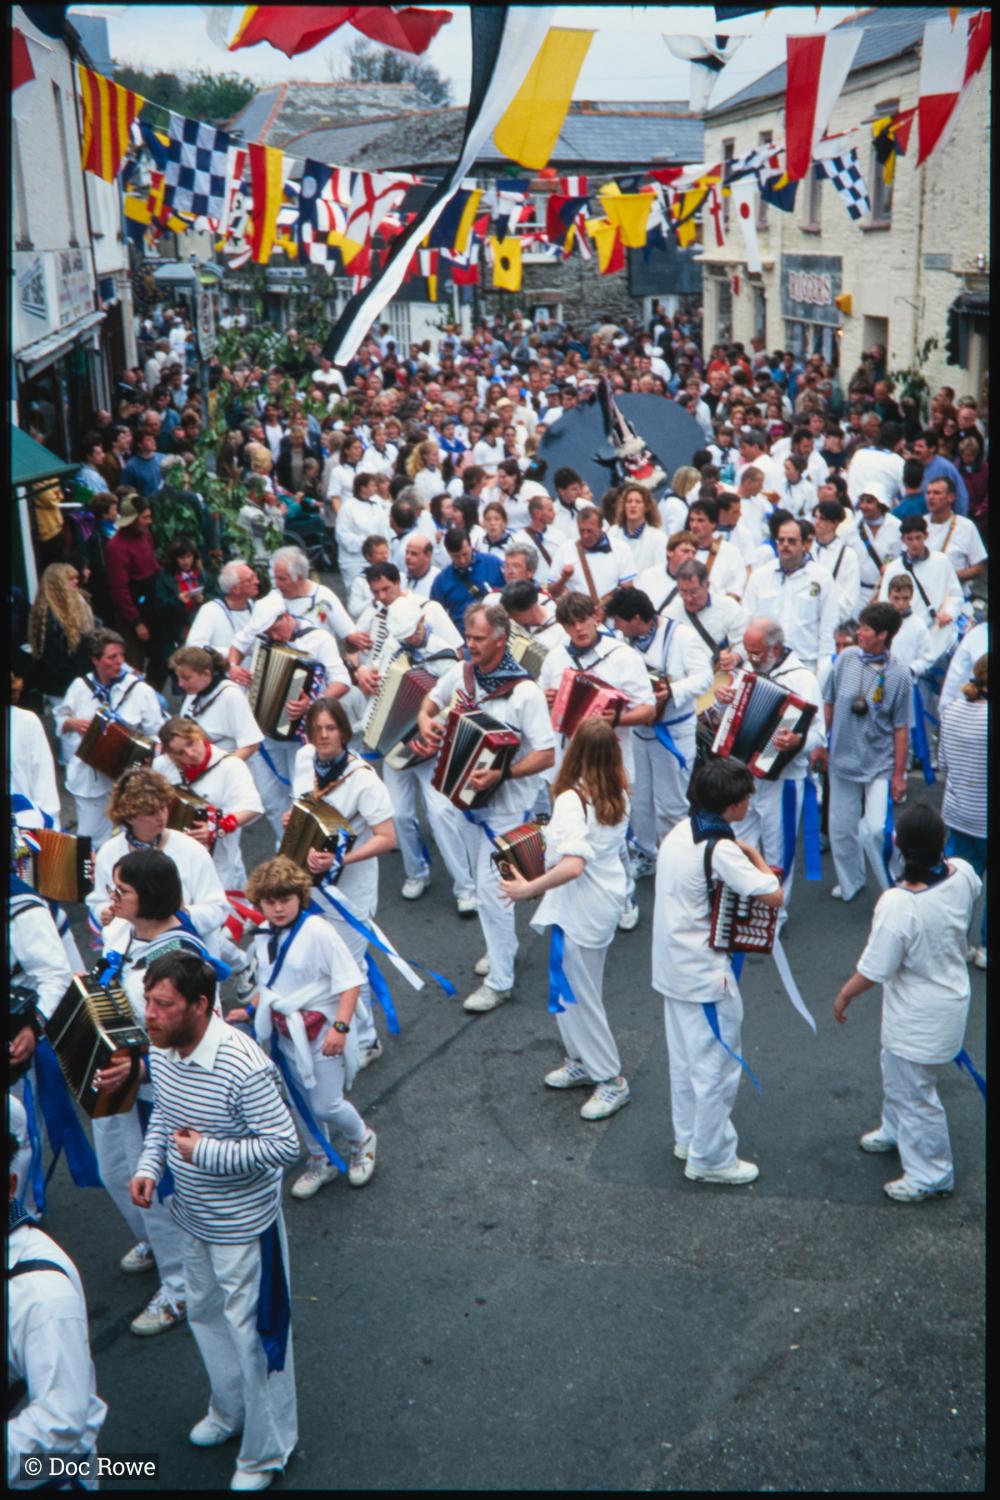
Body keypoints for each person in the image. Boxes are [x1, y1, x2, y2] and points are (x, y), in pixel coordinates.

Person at [130, 950, 300, 1490]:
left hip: (246, 1230)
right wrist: (150, 1165)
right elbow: (164, 1115)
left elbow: (284, 1144)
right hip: (193, 1217)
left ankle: (266, 1453)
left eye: (163, 1005)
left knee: (256, 1339)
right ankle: (228, 1414)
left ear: (201, 1006)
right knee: (205, 1317)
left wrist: (204, 1152)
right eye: (148, 1003)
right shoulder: (162, 1048)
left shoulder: (243, 1064)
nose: (150, 1016)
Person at [94, 849, 224, 1336]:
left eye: (122, 891)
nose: (112, 899)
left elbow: (198, 1036)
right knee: (114, 1172)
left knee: (158, 1190)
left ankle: (179, 1287)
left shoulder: (182, 957)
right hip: (114, 1083)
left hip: (154, 1094)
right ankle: (154, 1242)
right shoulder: (123, 931)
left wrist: (140, 1066)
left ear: (148, 897)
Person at [832, 802, 980, 1201]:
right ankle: (895, 1128)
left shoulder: (899, 905)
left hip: (917, 1018)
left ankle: (932, 1172)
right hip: (948, 1002)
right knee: (900, 1077)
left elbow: (875, 969)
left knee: (916, 1094)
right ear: (942, 842)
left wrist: (844, 995)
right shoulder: (963, 874)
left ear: (897, 844)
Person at [417, 603, 556, 1012]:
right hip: (463, 800)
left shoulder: (524, 692)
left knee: (494, 891)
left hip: (506, 807)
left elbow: (547, 754)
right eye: (468, 636)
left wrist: (503, 774)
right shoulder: (460, 673)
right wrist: (427, 721)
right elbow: (429, 700)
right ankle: (503, 949)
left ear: (501, 639)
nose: (470, 645)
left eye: (478, 639)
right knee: (483, 887)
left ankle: (500, 981)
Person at [652, 757, 783, 1184]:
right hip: (704, 974)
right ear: (733, 804)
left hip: (670, 966)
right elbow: (772, 895)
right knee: (717, 1067)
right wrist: (756, 855)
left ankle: (689, 1138)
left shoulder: (678, 831)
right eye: (746, 796)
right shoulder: (721, 847)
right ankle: (711, 1159)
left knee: (685, 1060)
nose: (750, 802)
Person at [498, 719, 632, 1121]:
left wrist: (528, 887)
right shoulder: (618, 792)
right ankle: (581, 1060)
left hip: (581, 903)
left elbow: (573, 865)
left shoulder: (574, 800)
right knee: (575, 988)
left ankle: (611, 1079)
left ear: (574, 751)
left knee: (582, 994)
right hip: (602, 899)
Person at [229, 855, 377, 1200]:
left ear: (300, 898)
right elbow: (271, 984)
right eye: (270, 902)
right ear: (259, 902)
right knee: (298, 1103)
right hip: (284, 1033)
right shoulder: (264, 936)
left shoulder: (318, 930)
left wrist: (340, 1027)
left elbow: (349, 981)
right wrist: (250, 1010)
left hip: (322, 1027)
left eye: (285, 900)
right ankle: (320, 1159)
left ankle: (362, 1138)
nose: (278, 909)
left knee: (326, 1104)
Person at [289, 697, 398, 1068]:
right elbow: (303, 804)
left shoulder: (364, 779)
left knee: (351, 965)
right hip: (308, 883)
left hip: (351, 889)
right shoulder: (305, 759)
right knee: (321, 960)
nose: (323, 736)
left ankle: (366, 1040)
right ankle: (333, 1029)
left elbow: (387, 837)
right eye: (316, 729)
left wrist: (340, 859)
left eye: (330, 728)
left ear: (344, 731)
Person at [358, 594, 473, 911]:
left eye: (413, 631)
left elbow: (457, 703)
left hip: (432, 748)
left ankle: (466, 886)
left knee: (441, 814)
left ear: (423, 621)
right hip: (394, 744)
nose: (410, 638)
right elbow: (380, 690)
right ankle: (416, 873)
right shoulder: (393, 647)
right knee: (399, 814)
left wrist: (437, 734)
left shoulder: (446, 655)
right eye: (405, 634)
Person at [8, 1133, 108, 1490]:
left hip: (44, 1479)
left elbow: (61, 1420)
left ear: (9, 1186)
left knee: (135, 1468)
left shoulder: (42, 1295)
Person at [716, 618, 825, 913]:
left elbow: (819, 733)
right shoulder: (747, 671)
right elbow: (727, 717)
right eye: (747, 652)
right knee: (740, 839)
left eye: (757, 653)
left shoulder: (803, 679)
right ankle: (743, 901)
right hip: (745, 775)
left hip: (784, 778)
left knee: (779, 847)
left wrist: (797, 741)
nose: (750, 659)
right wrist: (721, 700)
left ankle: (776, 910)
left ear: (775, 648)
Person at [813, 601, 913, 903]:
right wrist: (820, 742)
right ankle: (851, 881)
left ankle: (894, 885)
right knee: (841, 830)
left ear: (883, 635)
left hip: (879, 764)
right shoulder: (845, 660)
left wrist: (898, 774)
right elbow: (828, 701)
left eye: (866, 628)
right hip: (842, 760)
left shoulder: (899, 674)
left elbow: (901, 728)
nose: (859, 633)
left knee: (874, 830)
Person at [608, 585, 712, 860]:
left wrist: (673, 691)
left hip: (674, 731)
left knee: (671, 804)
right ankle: (646, 854)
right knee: (640, 801)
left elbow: (704, 678)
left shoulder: (682, 637)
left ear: (636, 619)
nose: (615, 625)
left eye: (618, 619)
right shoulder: (621, 641)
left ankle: (676, 861)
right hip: (638, 732)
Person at [87, 768, 230, 956]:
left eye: (163, 807)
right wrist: (104, 912)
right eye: (151, 812)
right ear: (129, 815)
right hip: (129, 956)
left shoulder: (191, 850)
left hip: (183, 958)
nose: (161, 816)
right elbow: (98, 901)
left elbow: (218, 908)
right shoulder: (109, 852)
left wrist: (177, 916)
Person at [56, 627, 165, 843]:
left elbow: (157, 732)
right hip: (89, 779)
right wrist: (70, 723)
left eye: (121, 656)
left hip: (129, 779)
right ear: (95, 660)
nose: (119, 662)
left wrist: (148, 754)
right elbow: (60, 720)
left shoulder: (139, 690)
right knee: (91, 839)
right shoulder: (80, 687)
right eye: (112, 657)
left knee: (133, 837)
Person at [154, 716, 264, 891]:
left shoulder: (230, 766)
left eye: (191, 743)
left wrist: (218, 827)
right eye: (180, 753)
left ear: (199, 735)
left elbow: (252, 807)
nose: (190, 754)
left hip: (221, 863)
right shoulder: (162, 766)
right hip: (177, 860)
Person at [938, 655, 988, 969]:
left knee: (957, 886)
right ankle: (985, 948)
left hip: (957, 813)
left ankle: (955, 944)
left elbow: (943, 764)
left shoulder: (952, 710)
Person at [742, 517, 838, 674]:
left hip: (805, 664)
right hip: (766, 665)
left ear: (804, 544)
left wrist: (822, 672)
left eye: (792, 541)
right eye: (781, 540)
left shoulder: (822, 577)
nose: (785, 545)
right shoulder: (760, 576)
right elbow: (747, 622)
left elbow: (828, 630)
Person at [105, 493, 163, 676]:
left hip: (152, 606)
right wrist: (136, 622)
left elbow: (154, 564)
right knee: (134, 663)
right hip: (132, 614)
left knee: (160, 660)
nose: (149, 522)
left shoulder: (145, 535)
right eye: (145, 517)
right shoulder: (116, 547)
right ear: (133, 519)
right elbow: (119, 590)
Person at [27, 562, 96, 713]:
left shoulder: (79, 604)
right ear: (58, 584)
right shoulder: (48, 617)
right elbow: (54, 660)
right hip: (62, 686)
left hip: (80, 681)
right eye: (70, 579)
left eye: (76, 578)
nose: (76, 581)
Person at [173, 646, 262, 760]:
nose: (180, 684)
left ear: (206, 674)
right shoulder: (194, 691)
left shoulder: (231, 695)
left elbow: (251, 745)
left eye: (186, 678)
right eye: (178, 678)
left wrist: (222, 769)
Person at [548, 507, 635, 605]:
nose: (585, 536)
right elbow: (552, 592)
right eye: (581, 531)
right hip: (578, 617)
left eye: (590, 531)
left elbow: (627, 589)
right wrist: (564, 578)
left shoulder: (621, 548)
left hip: (612, 616)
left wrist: (605, 610)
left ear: (601, 527)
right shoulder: (565, 549)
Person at [430, 527, 506, 633]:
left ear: (471, 546)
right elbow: (435, 615)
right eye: (456, 556)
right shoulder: (441, 581)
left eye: (465, 554)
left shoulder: (493, 563)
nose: (462, 560)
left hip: (496, 631)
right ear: (448, 553)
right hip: (465, 638)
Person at [188, 560, 261, 667]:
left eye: (255, 576)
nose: (257, 582)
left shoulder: (255, 607)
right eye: (250, 580)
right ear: (235, 589)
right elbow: (194, 647)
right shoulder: (211, 610)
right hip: (224, 677)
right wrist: (234, 652)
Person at [845, 486, 902, 603]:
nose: (864, 506)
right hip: (857, 594)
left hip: (888, 593)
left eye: (870, 502)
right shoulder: (852, 528)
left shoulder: (897, 527)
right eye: (862, 501)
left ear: (881, 503)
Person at [810, 499, 861, 617]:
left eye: (822, 519)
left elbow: (850, 596)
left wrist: (829, 615)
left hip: (834, 617)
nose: (816, 522)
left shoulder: (848, 555)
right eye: (815, 517)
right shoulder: (806, 549)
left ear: (835, 523)